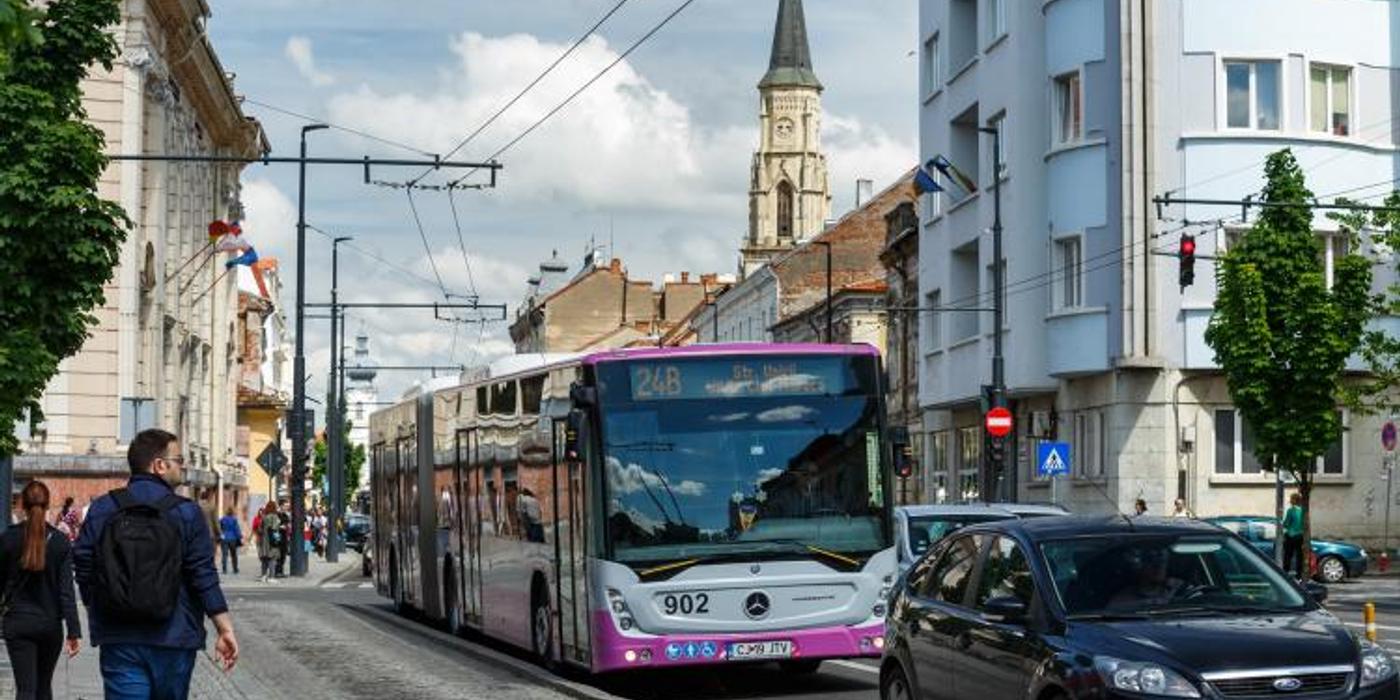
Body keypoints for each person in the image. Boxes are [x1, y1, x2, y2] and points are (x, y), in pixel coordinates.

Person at [73, 428, 239, 698]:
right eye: (179, 460)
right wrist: (224, 627)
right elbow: (203, 574)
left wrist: (99, 603)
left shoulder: (104, 507)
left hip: (119, 634)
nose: (182, 466)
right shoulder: (186, 512)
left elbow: (82, 560)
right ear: (159, 465)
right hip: (173, 636)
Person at [0, 481, 82, 700]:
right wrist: (74, 631)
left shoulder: (8, 538)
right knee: (44, 688)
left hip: (17, 622)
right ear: (48, 505)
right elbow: (66, 591)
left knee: (25, 689)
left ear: (21, 505)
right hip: (49, 623)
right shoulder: (60, 542)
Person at [1108, 547, 1184, 608]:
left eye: (1162, 562)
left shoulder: (1181, 588)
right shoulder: (1123, 599)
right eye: (1151, 562)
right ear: (1138, 566)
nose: (1158, 567)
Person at [1282, 492, 1306, 579]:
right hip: (1301, 536)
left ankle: (1285, 573)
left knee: (1288, 555)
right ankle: (1299, 575)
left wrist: (1283, 524)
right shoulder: (1304, 511)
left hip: (1291, 536)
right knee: (1300, 556)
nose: (1290, 501)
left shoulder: (1291, 511)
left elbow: (1286, 524)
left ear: (1293, 500)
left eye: (1291, 499)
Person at [258, 502, 283, 583]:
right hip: (272, 540)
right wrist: (280, 526)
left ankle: (263, 576)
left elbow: (260, 529)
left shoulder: (264, 517)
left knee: (265, 559)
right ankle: (271, 577)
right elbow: (275, 528)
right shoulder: (274, 516)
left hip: (264, 540)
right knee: (272, 558)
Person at [218, 507, 242, 576]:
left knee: (224, 555)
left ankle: (224, 569)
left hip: (224, 538)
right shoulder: (234, 520)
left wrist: (220, 535)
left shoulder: (222, 519)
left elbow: (219, 527)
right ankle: (235, 568)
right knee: (234, 555)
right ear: (232, 512)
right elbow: (236, 529)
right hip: (233, 538)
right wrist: (239, 536)